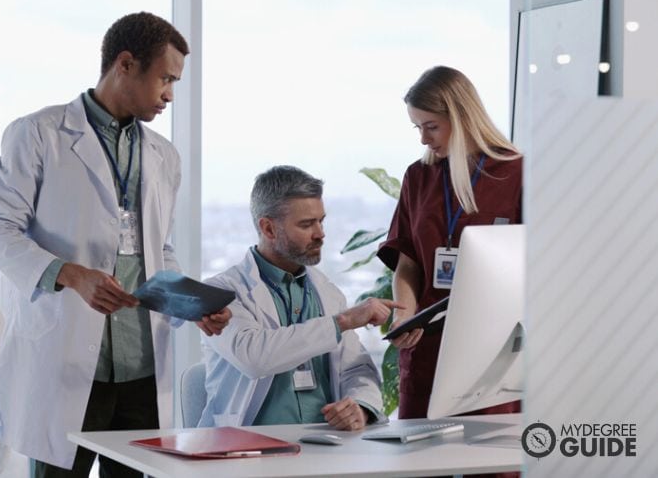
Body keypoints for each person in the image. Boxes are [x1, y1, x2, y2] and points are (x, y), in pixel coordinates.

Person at [0, 12, 231, 476]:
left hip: (141, 367)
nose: (170, 95)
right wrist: (71, 275)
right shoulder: (39, 134)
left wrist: (190, 305)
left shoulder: (163, 155)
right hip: (69, 360)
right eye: (165, 78)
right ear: (125, 64)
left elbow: (158, 249)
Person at [199, 165, 399, 430]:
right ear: (268, 229)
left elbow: (356, 369)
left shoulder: (327, 292)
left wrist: (360, 408)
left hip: (325, 443)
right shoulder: (222, 292)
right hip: (250, 446)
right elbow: (256, 357)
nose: (320, 233)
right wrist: (343, 321)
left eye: (321, 220)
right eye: (306, 224)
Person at [377, 66, 522, 421]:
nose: (424, 139)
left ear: (462, 117)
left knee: (493, 465)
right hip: (427, 342)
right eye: (418, 128)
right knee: (419, 458)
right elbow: (408, 262)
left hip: (493, 348)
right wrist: (405, 313)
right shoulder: (419, 176)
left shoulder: (517, 173)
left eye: (431, 127)